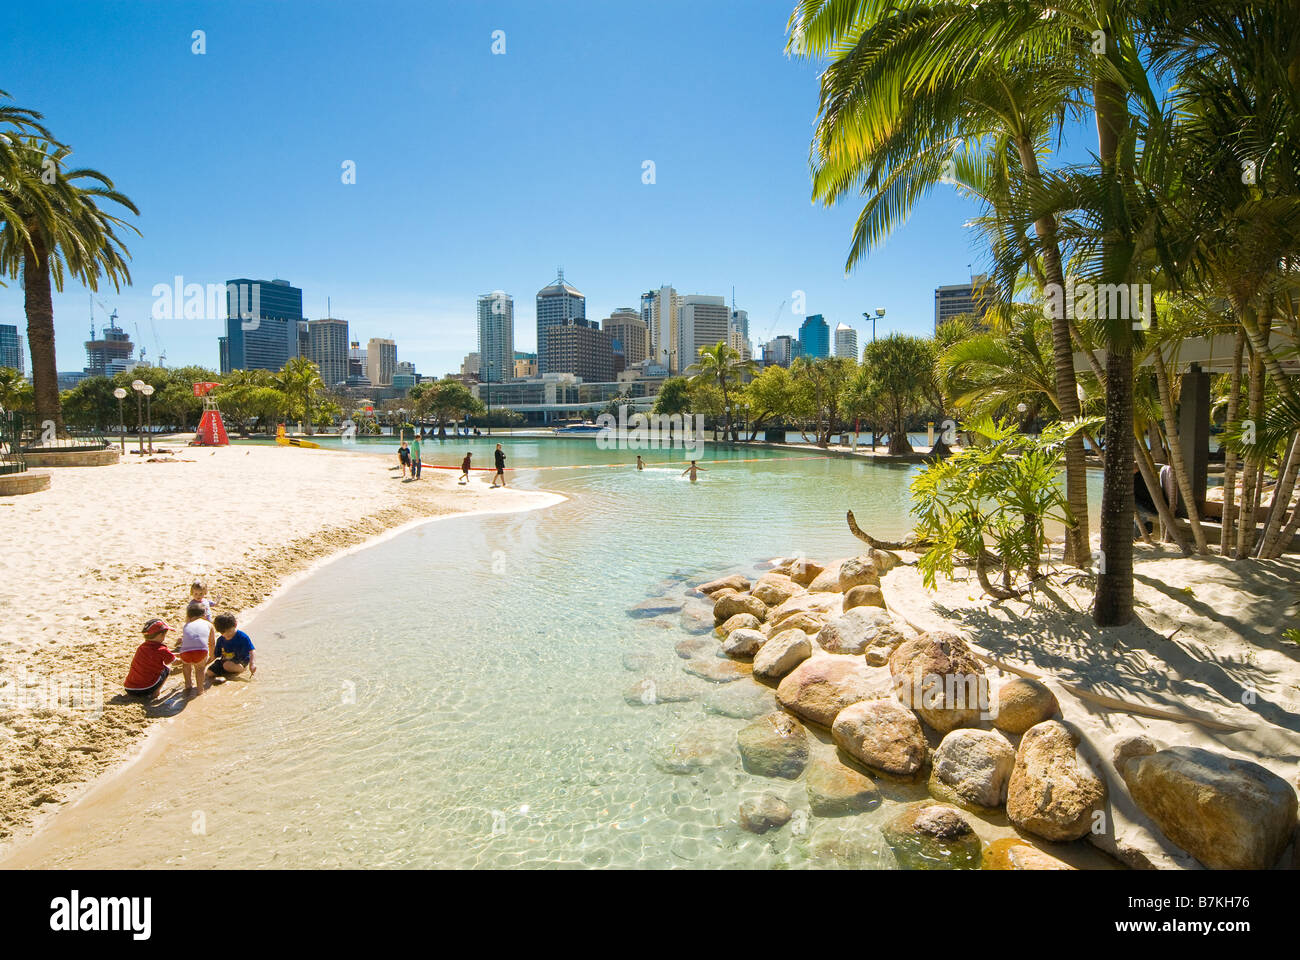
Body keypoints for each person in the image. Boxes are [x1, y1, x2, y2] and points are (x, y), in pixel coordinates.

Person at [124, 619, 176, 700]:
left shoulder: (142, 647)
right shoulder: (161, 649)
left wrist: (177, 655)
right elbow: (175, 662)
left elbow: (167, 655)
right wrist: (187, 658)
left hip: (129, 688)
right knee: (166, 669)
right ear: (161, 635)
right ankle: (156, 693)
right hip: (145, 689)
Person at [176, 601, 215, 695]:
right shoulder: (209, 624)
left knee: (186, 665)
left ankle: (188, 684)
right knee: (200, 669)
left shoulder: (186, 625)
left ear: (189, 617)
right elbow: (212, 643)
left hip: (185, 652)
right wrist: (212, 655)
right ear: (204, 615)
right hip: (200, 652)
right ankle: (200, 690)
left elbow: (187, 639)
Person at [207, 613, 256, 682]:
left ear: (235, 625)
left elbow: (252, 650)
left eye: (229, 632)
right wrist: (205, 664)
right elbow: (215, 655)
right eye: (223, 633)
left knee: (227, 665)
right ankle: (225, 675)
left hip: (240, 661)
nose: (227, 635)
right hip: (225, 661)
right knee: (209, 672)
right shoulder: (220, 640)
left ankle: (241, 669)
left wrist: (252, 664)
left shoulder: (242, 637)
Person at [1134, 463, 1160, 539]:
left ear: (1135, 469)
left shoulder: (1137, 480)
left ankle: (1135, 536)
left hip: (1151, 508)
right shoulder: (1146, 477)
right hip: (1154, 507)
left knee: (1138, 513)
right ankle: (1140, 534)